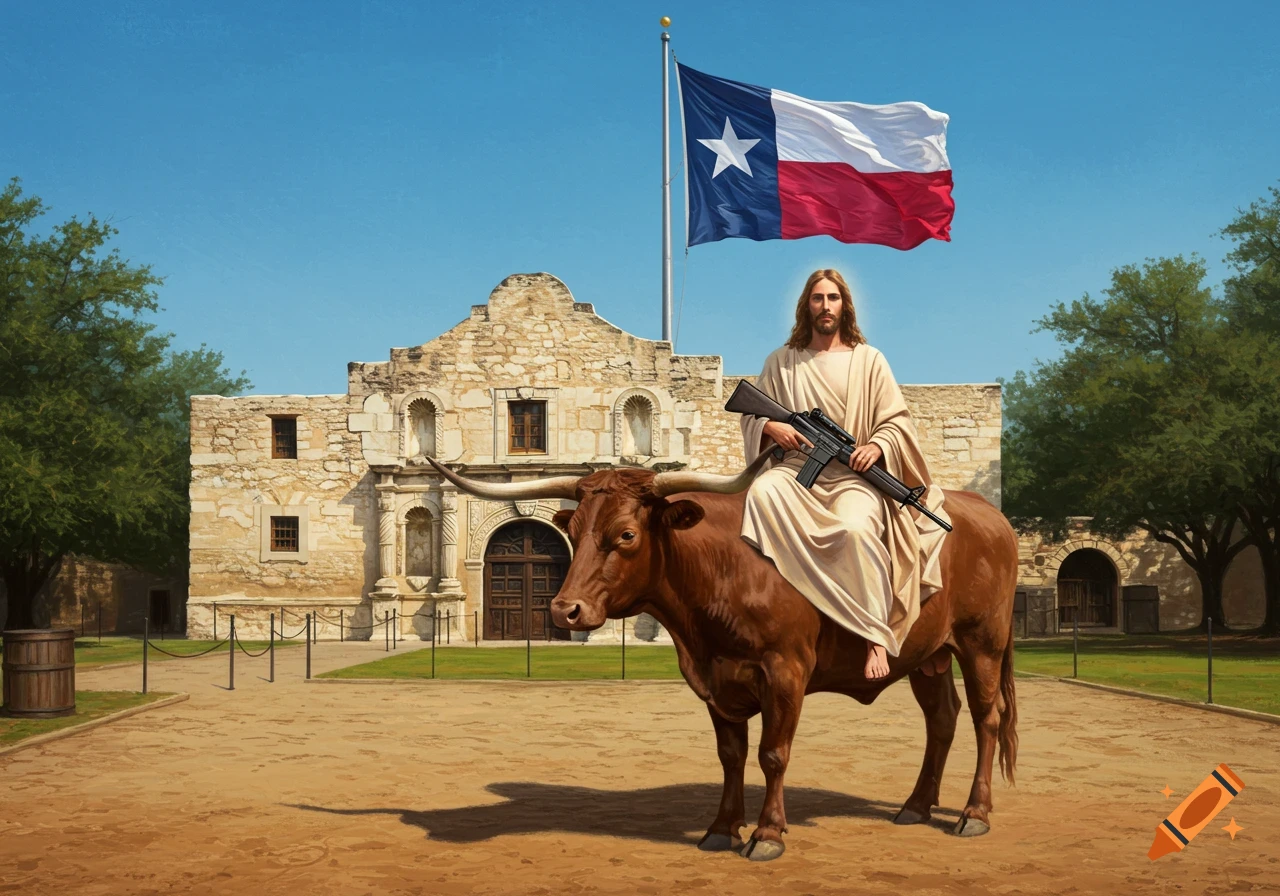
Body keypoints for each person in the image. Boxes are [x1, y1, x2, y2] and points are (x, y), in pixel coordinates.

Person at [739, 269, 950, 680]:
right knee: (762, 492)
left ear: (845, 305)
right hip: (797, 471)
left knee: (856, 529)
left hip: (853, 478)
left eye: (833, 298)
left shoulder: (869, 360)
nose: (825, 306)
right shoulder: (782, 361)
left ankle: (875, 637)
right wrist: (771, 427)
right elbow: (752, 412)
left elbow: (896, 420)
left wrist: (878, 445)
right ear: (806, 306)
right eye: (817, 298)